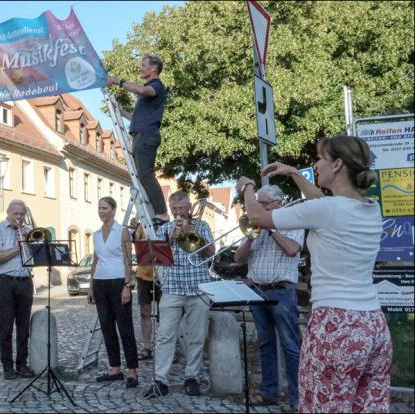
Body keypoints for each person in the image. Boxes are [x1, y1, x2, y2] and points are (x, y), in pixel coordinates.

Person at [236, 134, 392, 413]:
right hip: (373, 325)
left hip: (336, 325)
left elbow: (258, 218)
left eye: (321, 158)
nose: (316, 164)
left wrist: (247, 188)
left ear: (337, 165)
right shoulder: (369, 208)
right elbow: (324, 202)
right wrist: (294, 173)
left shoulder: (327, 209)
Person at [234, 185, 304, 411]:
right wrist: (250, 237)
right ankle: (268, 392)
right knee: (265, 344)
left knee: (290, 346)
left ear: (278, 204)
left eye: (263, 205)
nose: (259, 209)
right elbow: (238, 258)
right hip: (257, 291)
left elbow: (292, 249)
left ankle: (298, 398)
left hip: (282, 292)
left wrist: (272, 230)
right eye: (258, 204)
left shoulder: (292, 223)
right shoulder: (255, 229)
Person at [143, 191, 215, 398]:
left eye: (181, 209)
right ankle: (160, 380)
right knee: (165, 336)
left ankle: (191, 377)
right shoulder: (165, 228)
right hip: (172, 288)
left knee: (197, 336)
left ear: (189, 208)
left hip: (198, 289)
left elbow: (211, 253)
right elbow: (156, 258)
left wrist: (191, 232)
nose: (178, 213)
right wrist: (169, 240)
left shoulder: (202, 226)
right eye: (174, 209)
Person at [108, 55, 169, 225]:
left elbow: (143, 91)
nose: (140, 68)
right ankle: (155, 210)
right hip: (141, 134)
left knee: (145, 173)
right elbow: (136, 117)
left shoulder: (156, 85)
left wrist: (118, 81)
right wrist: (121, 112)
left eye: (143, 65)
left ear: (154, 68)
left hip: (146, 135)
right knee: (141, 175)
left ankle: (162, 213)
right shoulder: (148, 93)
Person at [88, 197, 139, 388]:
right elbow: (95, 261)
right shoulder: (95, 234)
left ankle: (132, 371)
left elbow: (128, 260)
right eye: (99, 207)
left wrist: (127, 285)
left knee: (125, 328)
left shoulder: (122, 231)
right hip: (100, 282)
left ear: (113, 209)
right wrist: (91, 286)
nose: (101, 211)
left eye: (104, 208)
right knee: (107, 327)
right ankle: (115, 369)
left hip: (118, 281)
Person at [0, 200, 35, 380]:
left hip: (25, 281)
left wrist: (31, 239)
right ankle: (7, 366)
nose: (19, 217)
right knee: (6, 327)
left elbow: (37, 255)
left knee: (24, 327)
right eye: (16, 214)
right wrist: (20, 246)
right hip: (4, 283)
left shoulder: (28, 232)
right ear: (8, 213)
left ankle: (22, 364)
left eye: (22, 214)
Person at [133, 222, 162, 361]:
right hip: (143, 274)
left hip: (162, 274)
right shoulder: (141, 225)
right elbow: (135, 242)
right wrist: (134, 229)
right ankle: (147, 347)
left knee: (165, 314)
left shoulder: (164, 223)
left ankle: (166, 347)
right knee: (144, 312)